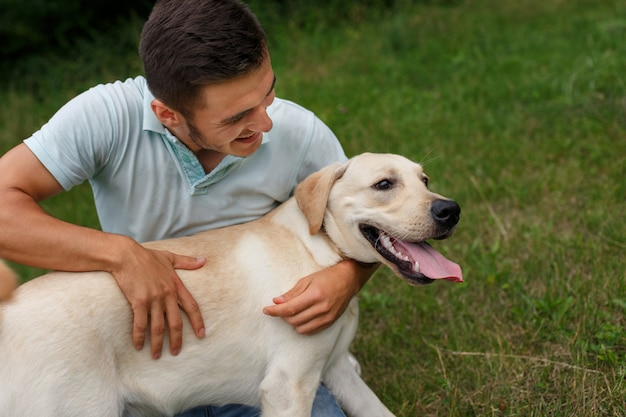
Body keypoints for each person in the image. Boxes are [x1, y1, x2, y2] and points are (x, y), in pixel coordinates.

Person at [0, 0, 377, 416]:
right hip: (135, 350)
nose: (266, 123)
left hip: (252, 357)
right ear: (168, 114)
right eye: (237, 117)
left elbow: (369, 222)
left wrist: (348, 277)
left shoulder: (299, 133)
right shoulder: (107, 116)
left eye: (268, 93)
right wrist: (122, 254)